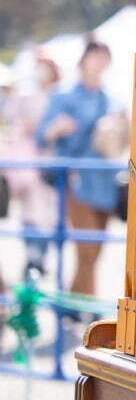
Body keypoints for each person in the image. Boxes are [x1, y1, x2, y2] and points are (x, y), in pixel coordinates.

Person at [35, 40, 115, 296]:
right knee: (87, 248)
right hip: (76, 180)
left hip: (105, 181)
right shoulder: (64, 95)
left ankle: (71, 301)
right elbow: (41, 135)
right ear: (84, 60)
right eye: (96, 56)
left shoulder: (110, 98)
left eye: (104, 56)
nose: (100, 61)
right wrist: (56, 128)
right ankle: (88, 309)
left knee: (95, 251)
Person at [2, 53, 61, 282]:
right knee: (31, 216)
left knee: (49, 218)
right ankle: (32, 261)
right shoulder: (26, 95)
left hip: (51, 167)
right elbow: (12, 120)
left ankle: (36, 263)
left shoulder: (59, 96)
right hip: (29, 167)